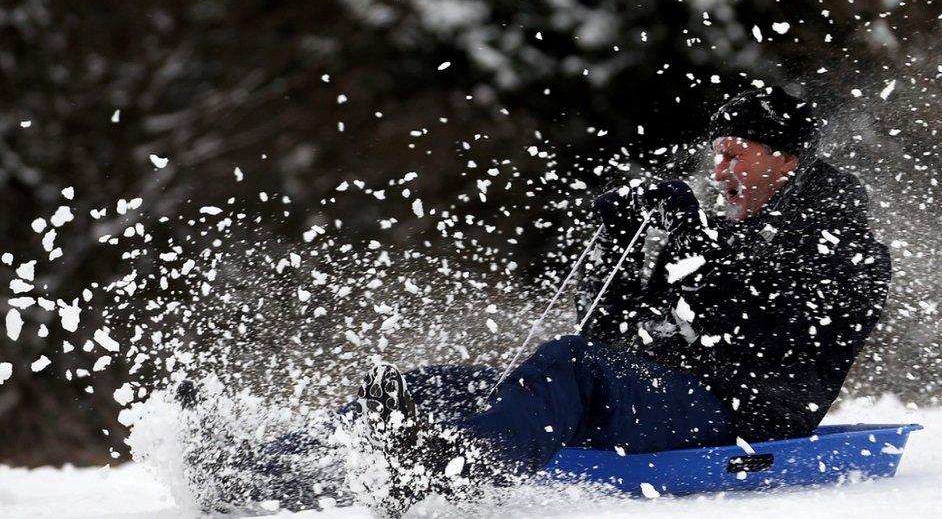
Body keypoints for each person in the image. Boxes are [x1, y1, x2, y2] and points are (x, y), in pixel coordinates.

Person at [179, 86, 892, 516]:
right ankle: (259, 468)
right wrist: (620, 253)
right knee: (441, 384)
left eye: (737, 152)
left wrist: (685, 240)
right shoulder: (734, 237)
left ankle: (449, 475)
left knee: (565, 368)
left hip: (734, 412)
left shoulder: (837, 234)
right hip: (665, 390)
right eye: (717, 153)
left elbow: (743, 328)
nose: (720, 168)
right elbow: (615, 335)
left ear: (787, 158)